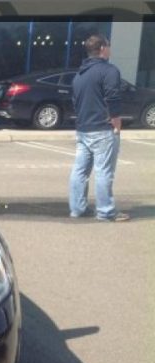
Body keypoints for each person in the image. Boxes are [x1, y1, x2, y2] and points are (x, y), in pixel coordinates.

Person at [68, 34, 130, 222]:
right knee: (104, 171)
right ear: (102, 48)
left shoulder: (80, 74)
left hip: (83, 128)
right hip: (103, 128)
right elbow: (113, 97)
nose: (110, 49)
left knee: (80, 170)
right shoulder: (109, 71)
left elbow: (75, 101)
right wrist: (116, 120)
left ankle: (77, 208)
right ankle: (105, 211)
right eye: (108, 46)